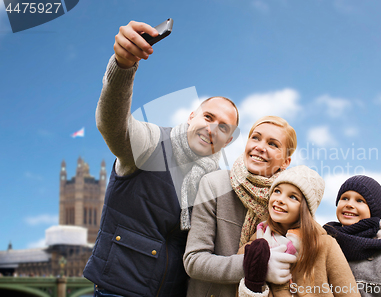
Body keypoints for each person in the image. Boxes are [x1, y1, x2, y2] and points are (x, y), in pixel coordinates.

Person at [82, 21, 240, 297]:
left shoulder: (216, 183)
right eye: (208, 117)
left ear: (228, 140)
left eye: (223, 127)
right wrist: (122, 66)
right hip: (119, 291)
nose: (212, 128)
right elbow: (112, 124)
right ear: (192, 116)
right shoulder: (152, 143)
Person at [183, 116, 299, 296]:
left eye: (273, 144)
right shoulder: (215, 184)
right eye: (255, 138)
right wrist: (256, 265)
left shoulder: (290, 204)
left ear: (285, 162)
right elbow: (194, 260)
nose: (260, 147)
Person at [237, 165, 361, 297]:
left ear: (306, 209)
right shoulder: (251, 249)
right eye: (277, 191)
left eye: (293, 197)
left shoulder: (325, 245)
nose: (280, 200)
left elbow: (349, 293)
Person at [323, 175, 381, 297]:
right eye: (345, 198)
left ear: (374, 211)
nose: (349, 204)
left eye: (360, 201)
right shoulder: (318, 245)